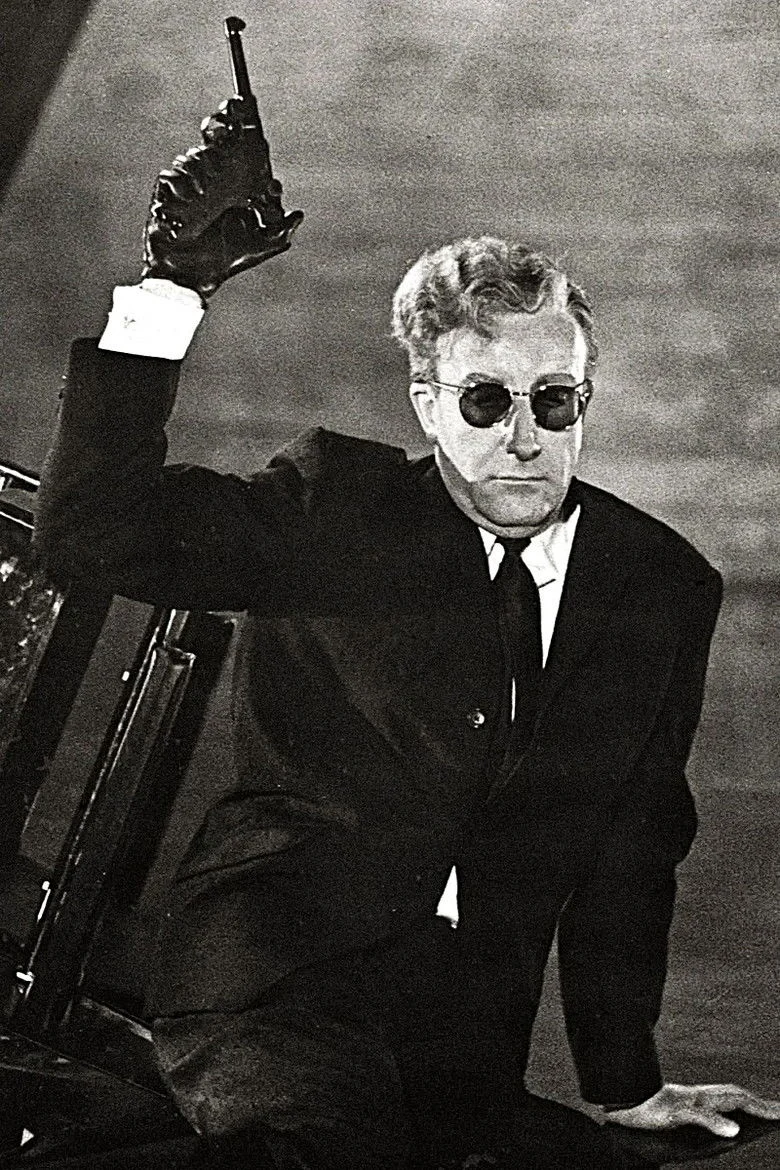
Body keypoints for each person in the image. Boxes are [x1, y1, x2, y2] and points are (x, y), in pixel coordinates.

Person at [33, 101, 780, 1169]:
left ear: (585, 401)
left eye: (554, 402)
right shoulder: (336, 508)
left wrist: (626, 1083)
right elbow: (93, 534)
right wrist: (171, 290)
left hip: (459, 1040)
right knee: (326, 1149)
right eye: (484, 402)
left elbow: (634, 845)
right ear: (425, 404)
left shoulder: (658, 584)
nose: (523, 439)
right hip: (276, 982)